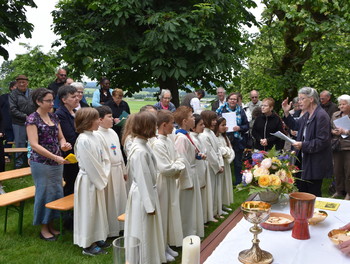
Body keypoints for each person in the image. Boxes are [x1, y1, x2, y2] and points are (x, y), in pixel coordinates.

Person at [26, 88, 72, 241]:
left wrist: (64, 145)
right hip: (41, 162)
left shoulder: (54, 116)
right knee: (44, 193)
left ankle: (52, 225)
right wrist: (55, 156)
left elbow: (61, 137)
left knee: (56, 192)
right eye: (48, 101)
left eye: (53, 100)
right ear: (38, 102)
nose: (52, 103)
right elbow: (34, 145)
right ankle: (44, 228)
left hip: (57, 161)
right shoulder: (32, 119)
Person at [124, 111, 166, 264]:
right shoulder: (140, 151)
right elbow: (142, 179)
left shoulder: (143, 145)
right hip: (143, 195)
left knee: (149, 230)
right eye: (154, 125)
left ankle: (152, 257)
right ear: (146, 127)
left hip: (147, 191)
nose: (156, 127)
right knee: (143, 229)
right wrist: (149, 206)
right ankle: (144, 259)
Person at [282, 87, 333, 197]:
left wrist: (303, 145)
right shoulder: (306, 114)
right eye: (299, 99)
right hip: (303, 159)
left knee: (313, 194)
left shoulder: (321, 115)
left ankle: (314, 214)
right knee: (301, 191)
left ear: (311, 99)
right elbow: (295, 125)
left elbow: (322, 141)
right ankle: (303, 213)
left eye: (302, 99)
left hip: (315, 162)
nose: (299, 102)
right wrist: (286, 112)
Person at [74, 107, 111, 256]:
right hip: (89, 180)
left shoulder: (95, 136)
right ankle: (88, 244)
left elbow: (104, 157)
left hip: (98, 178)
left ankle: (98, 236)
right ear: (88, 122)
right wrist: (101, 178)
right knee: (89, 211)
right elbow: (90, 164)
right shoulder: (83, 140)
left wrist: (103, 175)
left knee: (98, 210)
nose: (98, 121)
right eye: (96, 119)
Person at [150, 110, 185, 261]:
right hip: (162, 182)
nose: (174, 126)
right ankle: (160, 246)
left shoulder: (168, 140)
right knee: (163, 215)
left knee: (170, 212)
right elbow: (165, 168)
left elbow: (179, 158)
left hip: (170, 181)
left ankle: (166, 244)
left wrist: (177, 164)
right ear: (164, 125)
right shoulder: (158, 144)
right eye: (172, 123)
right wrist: (177, 165)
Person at [95, 106, 127, 237]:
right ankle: (111, 229)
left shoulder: (112, 132)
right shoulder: (98, 134)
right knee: (110, 201)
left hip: (118, 168)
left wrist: (124, 169)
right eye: (109, 117)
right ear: (100, 119)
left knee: (120, 199)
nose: (112, 119)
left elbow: (118, 152)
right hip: (108, 172)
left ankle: (121, 226)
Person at [173, 106, 204, 237]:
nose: (193, 119)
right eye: (191, 117)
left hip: (192, 171)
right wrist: (186, 179)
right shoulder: (181, 138)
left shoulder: (187, 135)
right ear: (185, 121)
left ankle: (192, 230)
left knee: (192, 205)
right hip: (187, 174)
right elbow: (181, 159)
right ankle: (185, 233)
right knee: (186, 206)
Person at [216, 92, 249, 184]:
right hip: (224, 138)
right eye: (231, 99)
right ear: (228, 100)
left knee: (237, 162)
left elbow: (246, 125)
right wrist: (221, 128)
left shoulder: (241, 111)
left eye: (235, 99)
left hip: (237, 139)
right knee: (225, 160)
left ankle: (238, 182)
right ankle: (225, 182)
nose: (233, 101)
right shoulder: (221, 110)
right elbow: (214, 123)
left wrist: (240, 128)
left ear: (237, 101)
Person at [190, 114, 215, 223]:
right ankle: (200, 220)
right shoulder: (192, 139)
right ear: (193, 127)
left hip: (203, 167)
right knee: (199, 196)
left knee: (204, 194)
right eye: (201, 125)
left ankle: (204, 217)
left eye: (203, 124)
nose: (203, 126)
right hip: (198, 168)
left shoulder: (199, 137)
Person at [55, 85, 80, 196]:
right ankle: (66, 212)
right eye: (73, 97)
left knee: (77, 182)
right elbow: (69, 135)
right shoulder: (60, 114)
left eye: (77, 96)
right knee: (70, 181)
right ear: (64, 100)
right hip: (68, 152)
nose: (77, 98)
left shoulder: (75, 112)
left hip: (78, 150)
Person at [200, 110, 225, 218]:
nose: (215, 122)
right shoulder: (205, 135)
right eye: (213, 120)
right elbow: (210, 153)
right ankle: (211, 213)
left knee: (216, 189)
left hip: (216, 164)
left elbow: (218, 150)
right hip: (211, 166)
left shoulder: (211, 133)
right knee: (211, 191)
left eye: (215, 120)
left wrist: (221, 163)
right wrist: (217, 166)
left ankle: (216, 210)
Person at [9, 75, 36, 169]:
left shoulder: (32, 92)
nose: (21, 84)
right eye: (19, 82)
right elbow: (12, 109)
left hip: (33, 122)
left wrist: (34, 116)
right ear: (16, 83)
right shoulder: (13, 94)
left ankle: (33, 163)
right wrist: (25, 117)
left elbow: (37, 104)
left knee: (33, 142)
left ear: (27, 83)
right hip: (18, 122)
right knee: (19, 144)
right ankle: (19, 166)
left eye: (23, 82)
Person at [330, 94, 350, 200]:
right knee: (337, 169)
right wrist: (334, 131)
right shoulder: (335, 115)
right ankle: (339, 190)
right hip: (337, 145)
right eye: (340, 104)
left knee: (348, 170)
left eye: (344, 104)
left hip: (348, 147)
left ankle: (348, 193)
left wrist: (346, 131)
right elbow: (330, 128)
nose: (341, 106)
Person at [214, 117, 235, 211]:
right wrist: (226, 152)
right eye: (222, 125)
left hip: (226, 163)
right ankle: (218, 206)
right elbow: (219, 150)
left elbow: (229, 149)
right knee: (220, 185)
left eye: (225, 125)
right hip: (220, 164)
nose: (225, 127)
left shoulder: (224, 137)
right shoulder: (214, 137)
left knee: (225, 184)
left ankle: (223, 203)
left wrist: (229, 153)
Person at [0, 81, 17, 162]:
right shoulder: (3, 97)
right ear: (11, 88)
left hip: (18, 122)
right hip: (7, 122)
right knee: (9, 138)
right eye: (15, 86)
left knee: (18, 139)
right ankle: (6, 156)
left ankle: (20, 156)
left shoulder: (20, 98)